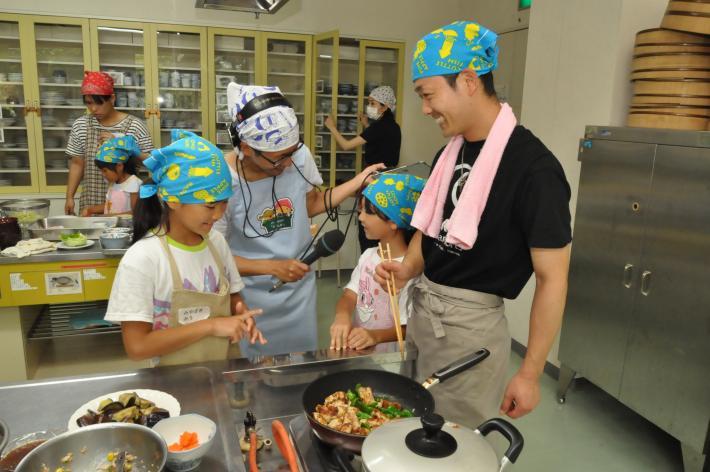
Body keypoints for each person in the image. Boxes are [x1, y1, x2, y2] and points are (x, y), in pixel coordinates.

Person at [375, 21, 572, 428]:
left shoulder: (534, 169)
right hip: (425, 314)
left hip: (469, 331)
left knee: (452, 440)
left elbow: (553, 279)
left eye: (428, 95)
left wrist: (531, 374)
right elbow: (431, 228)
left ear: (467, 81)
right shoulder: (451, 152)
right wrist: (409, 267)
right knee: (410, 424)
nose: (425, 109)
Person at [215, 82, 383, 358]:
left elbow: (312, 204)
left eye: (292, 153)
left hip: (298, 288)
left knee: (299, 366)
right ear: (246, 146)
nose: (288, 164)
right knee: (256, 371)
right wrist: (272, 267)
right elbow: (215, 257)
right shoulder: (223, 179)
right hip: (248, 295)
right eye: (278, 159)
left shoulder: (297, 156)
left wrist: (356, 182)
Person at [105, 130, 265, 367]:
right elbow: (137, 347)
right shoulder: (143, 259)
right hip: (172, 385)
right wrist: (210, 326)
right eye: (210, 205)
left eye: (224, 203)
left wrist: (241, 313)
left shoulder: (216, 243)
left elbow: (232, 296)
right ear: (173, 199)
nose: (219, 214)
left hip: (222, 373)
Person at [329, 173, 424, 351]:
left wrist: (375, 336)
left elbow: (407, 328)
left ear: (394, 221)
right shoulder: (368, 256)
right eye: (361, 210)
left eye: (369, 212)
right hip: (360, 352)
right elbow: (350, 295)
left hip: (391, 361)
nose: (361, 217)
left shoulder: (407, 269)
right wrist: (342, 316)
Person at [324, 85, 402, 252]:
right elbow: (379, 141)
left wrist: (332, 127)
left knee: (368, 229)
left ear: (385, 106)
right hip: (390, 180)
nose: (369, 107)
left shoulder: (378, 127)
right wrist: (366, 125)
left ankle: (367, 264)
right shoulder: (393, 126)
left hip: (373, 180)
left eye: (373, 103)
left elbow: (346, 145)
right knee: (382, 226)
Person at [65, 71, 153, 216]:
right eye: (88, 103)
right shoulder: (81, 125)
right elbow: (77, 163)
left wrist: (123, 147)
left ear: (112, 99)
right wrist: (69, 197)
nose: (93, 109)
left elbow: (150, 162)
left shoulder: (134, 126)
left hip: (125, 203)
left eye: (99, 103)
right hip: (91, 202)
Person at [81, 136, 142, 216]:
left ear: (119, 166)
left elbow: (135, 213)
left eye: (105, 171)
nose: (103, 174)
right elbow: (110, 205)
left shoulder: (134, 183)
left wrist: (108, 217)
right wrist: (90, 209)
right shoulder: (113, 183)